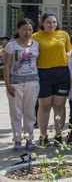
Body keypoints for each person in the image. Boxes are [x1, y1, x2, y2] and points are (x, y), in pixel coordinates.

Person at [32, 11, 72, 147]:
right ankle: (43, 136)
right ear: (42, 23)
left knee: (59, 106)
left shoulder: (63, 35)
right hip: (43, 74)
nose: (51, 25)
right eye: (48, 22)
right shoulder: (35, 37)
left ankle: (59, 135)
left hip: (61, 73)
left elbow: (70, 53)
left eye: (54, 22)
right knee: (44, 106)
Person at [4, 18, 40, 152]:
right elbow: (7, 65)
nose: (27, 32)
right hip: (15, 84)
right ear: (18, 30)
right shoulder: (11, 45)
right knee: (16, 113)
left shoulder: (36, 44)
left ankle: (29, 140)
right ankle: (17, 140)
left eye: (30, 29)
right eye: (24, 29)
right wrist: (7, 84)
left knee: (30, 113)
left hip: (32, 83)